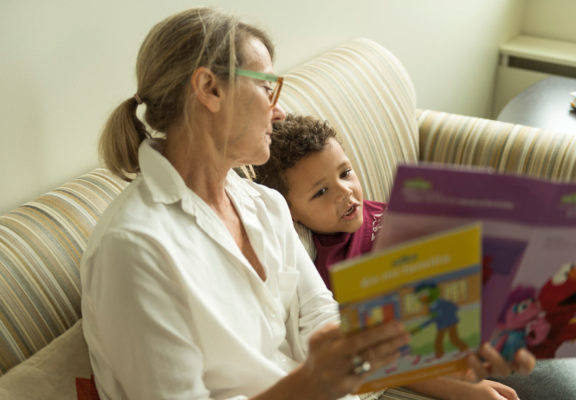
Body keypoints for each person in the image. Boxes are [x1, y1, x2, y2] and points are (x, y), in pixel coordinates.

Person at [80, 8, 535, 400]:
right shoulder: (134, 249)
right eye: (267, 88)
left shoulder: (263, 205)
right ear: (209, 89)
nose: (278, 110)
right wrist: (315, 381)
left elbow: (321, 316)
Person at [253, 114, 576, 400]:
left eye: (345, 173)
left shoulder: (381, 212)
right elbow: (389, 359)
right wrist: (468, 390)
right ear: (289, 211)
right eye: (321, 191)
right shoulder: (327, 270)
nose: (346, 193)